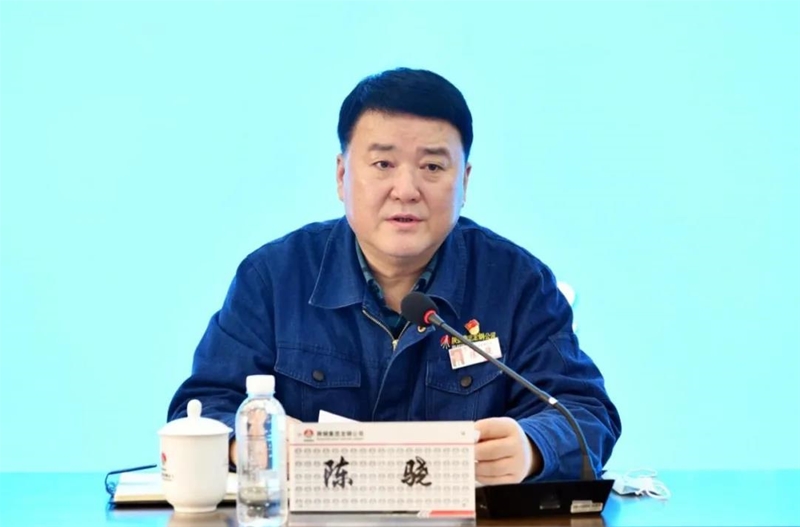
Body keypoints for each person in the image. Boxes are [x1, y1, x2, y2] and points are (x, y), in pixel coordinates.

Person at [167, 67, 621, 485]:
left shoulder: (518, 283)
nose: (406, 190)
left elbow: (586, 412)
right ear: (342, 175)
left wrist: (533, 449)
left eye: (432, 167)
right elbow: (203, 406)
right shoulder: (273, 278)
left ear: (465, 181)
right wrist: (250, 442)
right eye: (383, 164)